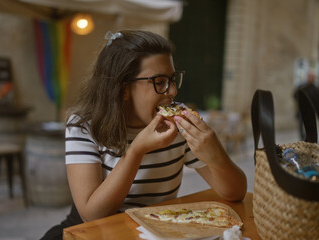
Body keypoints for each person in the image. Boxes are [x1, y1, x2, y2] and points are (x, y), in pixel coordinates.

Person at [41, 30, 247, 239]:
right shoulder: (84, 125)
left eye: (173, 79)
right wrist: (137, 151)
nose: (173, 91)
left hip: (154, 231)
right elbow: (92, 215)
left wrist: (216, 155)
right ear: (123, 88)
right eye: (159, 82)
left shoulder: (180, 125)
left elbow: (235, 193)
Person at [293, 72, 316, 140]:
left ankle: (308, 137)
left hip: (310, 109)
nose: (311, 79)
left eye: (313, 78)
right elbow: (294, 95)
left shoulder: (314, 88)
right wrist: (300, 101)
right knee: (301, 124)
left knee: (309, 124)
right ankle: (302, 137)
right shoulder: (301, 86)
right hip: (301, 108)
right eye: (310, 77)